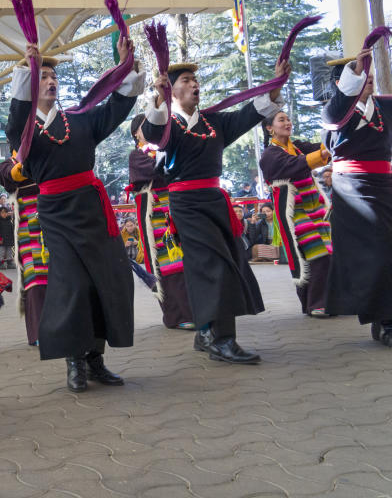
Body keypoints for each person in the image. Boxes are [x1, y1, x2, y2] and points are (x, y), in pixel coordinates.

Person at [5, 37, 143, 392]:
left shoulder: (80, 119)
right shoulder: (23, 131)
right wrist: (27, 68)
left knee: (108, 283)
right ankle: (74, 361)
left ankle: (96, 359)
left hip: (94, 212)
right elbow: (17, 114)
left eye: (53, 77)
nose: (51, 81)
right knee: (74, 287)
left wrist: (126, 67)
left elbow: (117, 107)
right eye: (43, 77)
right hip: (56, 216)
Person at [142, 56, 287, 364]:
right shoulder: (167, 125)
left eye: (195, 81)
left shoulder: (214, 121)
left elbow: (251, 113)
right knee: (213, 266)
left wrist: (276, 85)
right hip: (187, 204)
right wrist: (158, 98)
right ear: (172, 91)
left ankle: (205, 332)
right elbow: (152, 133)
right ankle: (222, 339)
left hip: (215, 202)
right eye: (185, 81)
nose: (194, 84)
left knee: (225, 263)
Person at [321, 49, 392, 344]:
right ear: (345, 86)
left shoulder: (385, 107)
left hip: (385, 186)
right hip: (353, 190)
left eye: (370, 74)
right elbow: (335, 115)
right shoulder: (334, 116)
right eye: (361, 76)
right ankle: (385, 321)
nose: (369, 78)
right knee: (377, 253)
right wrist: (354, 76)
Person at [259, 109, 332, 316]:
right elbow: (295, 165)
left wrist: (331, 144)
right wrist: (322, 154)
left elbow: (320, 148)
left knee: (328, 249)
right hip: (294, 209)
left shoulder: (297, 146)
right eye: (281, 120)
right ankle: (315, 303)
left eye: (288, 119)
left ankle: (327, 301)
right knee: (313, 251)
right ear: (269, 128)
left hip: (315, 205)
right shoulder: (270, 155)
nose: (288, 122)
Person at [128, 116, 195, 330]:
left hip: (177, 207)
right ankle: (178, 315)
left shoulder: (166, 150)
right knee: (168, 262)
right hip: (155, 213)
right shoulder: (137, 155)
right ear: (136, 134)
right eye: (143, 127)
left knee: (187, 260)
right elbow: (158, 171)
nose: (148, 129)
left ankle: (197, 310)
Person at [0, 156, 49, 346]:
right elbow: (7, 176)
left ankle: (65, 328)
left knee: (62, 274)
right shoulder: (9, 164)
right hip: (28, 226)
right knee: (35, 275)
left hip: (56, 218)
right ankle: (39, 332)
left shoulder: (49, 151)